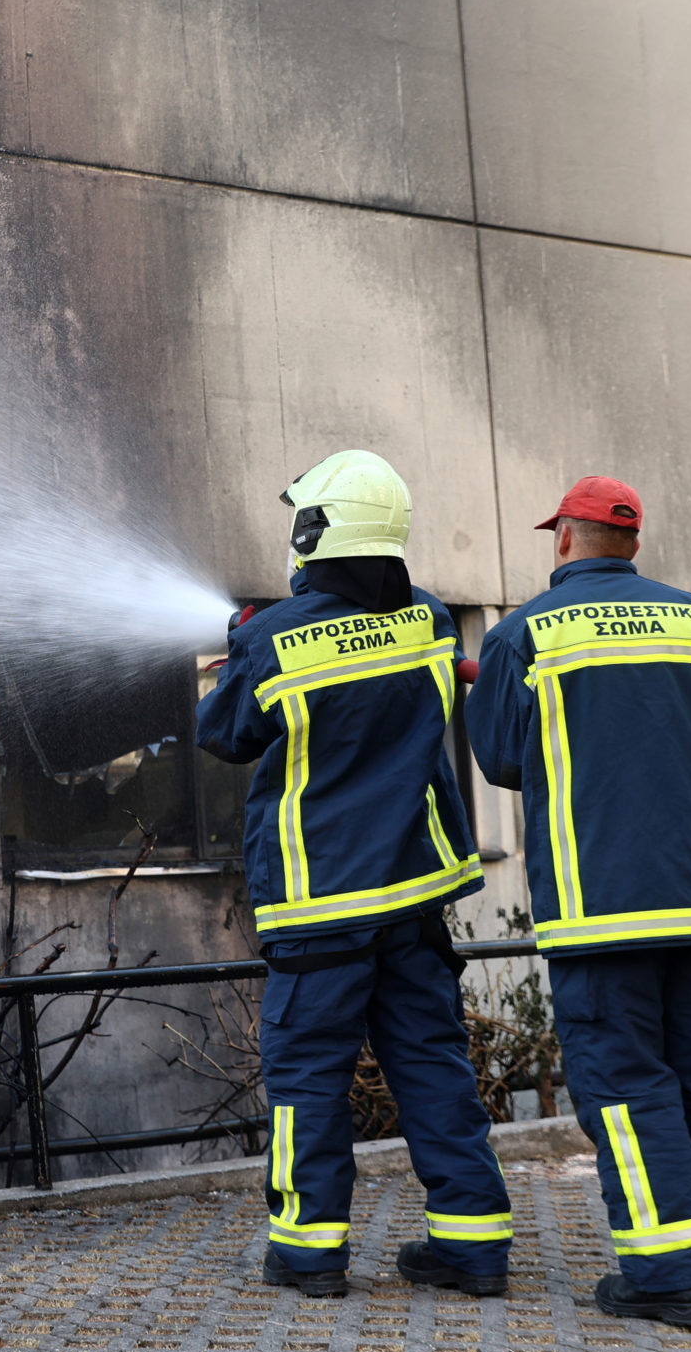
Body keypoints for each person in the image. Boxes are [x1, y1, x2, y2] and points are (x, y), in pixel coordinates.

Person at [465, 476, 691, 1330]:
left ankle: (667, 1276)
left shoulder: (525, 635)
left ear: (563, 541)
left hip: (604, 909)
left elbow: (504, 759)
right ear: (632, 541)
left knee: (628, 1084)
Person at [197, 450, 514, 1301]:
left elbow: (222, 733)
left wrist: (235, 648)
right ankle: (474, 1244)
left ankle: (309, 1254)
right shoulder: (432, 621)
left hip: (322, 902)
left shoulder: (268, 642)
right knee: (434, 1066)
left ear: (313, 532)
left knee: (309, 1080)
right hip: (414, 896)